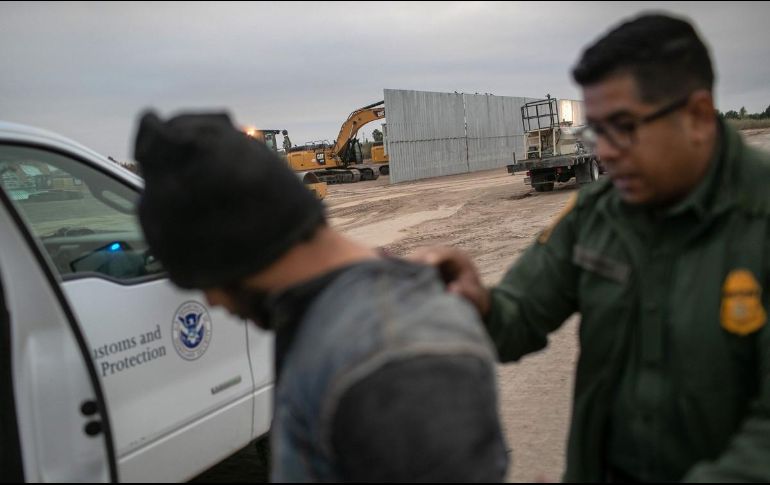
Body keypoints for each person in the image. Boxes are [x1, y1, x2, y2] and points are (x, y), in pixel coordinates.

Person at [415, 13, 770, 482]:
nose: (604, 152)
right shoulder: (597, 214)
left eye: (622, 127)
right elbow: (519, 314)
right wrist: (476, 303)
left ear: (698, 117)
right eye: (596, 131)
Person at [132, 112, 508, 482]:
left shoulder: (395, 364)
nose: (212, 303)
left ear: (231, 253)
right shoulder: (322, 314)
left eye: (203, 283)